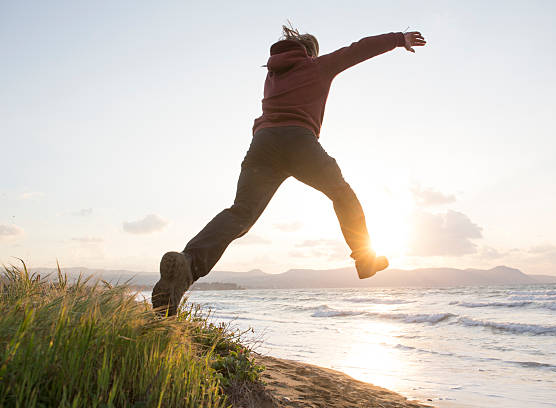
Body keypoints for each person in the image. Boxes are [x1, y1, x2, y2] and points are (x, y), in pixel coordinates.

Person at [152, 24, 426, 316]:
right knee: (341, 193)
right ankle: (365, 258)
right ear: (309, 53)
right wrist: (399, 39)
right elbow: (357, 50)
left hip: (263, 145)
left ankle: (186, 265)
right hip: (299, 142)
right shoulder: (317, 66)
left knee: (240, 214)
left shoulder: (272, 74)